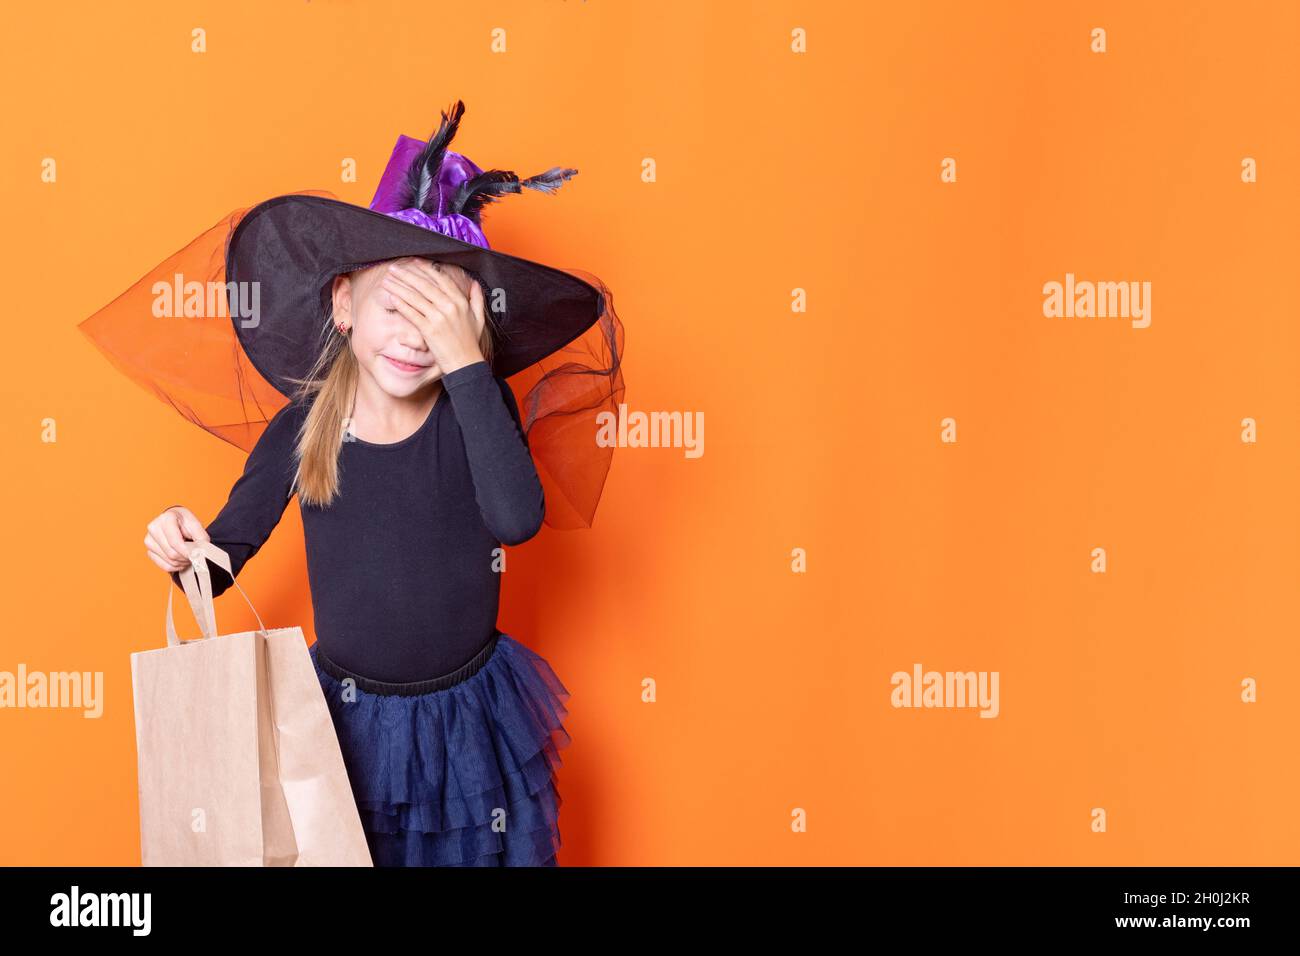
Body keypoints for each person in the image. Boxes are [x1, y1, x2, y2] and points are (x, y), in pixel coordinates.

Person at [87, 99, 626, 866]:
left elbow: (516, 519)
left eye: (442, 319)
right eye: (398, 306)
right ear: (343, 302)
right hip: (342, 722)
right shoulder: (306, 428)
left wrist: (469, 363)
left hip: (468, 720)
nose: (416, 336)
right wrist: (181, 542)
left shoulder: (476, 406)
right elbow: (224, 550)